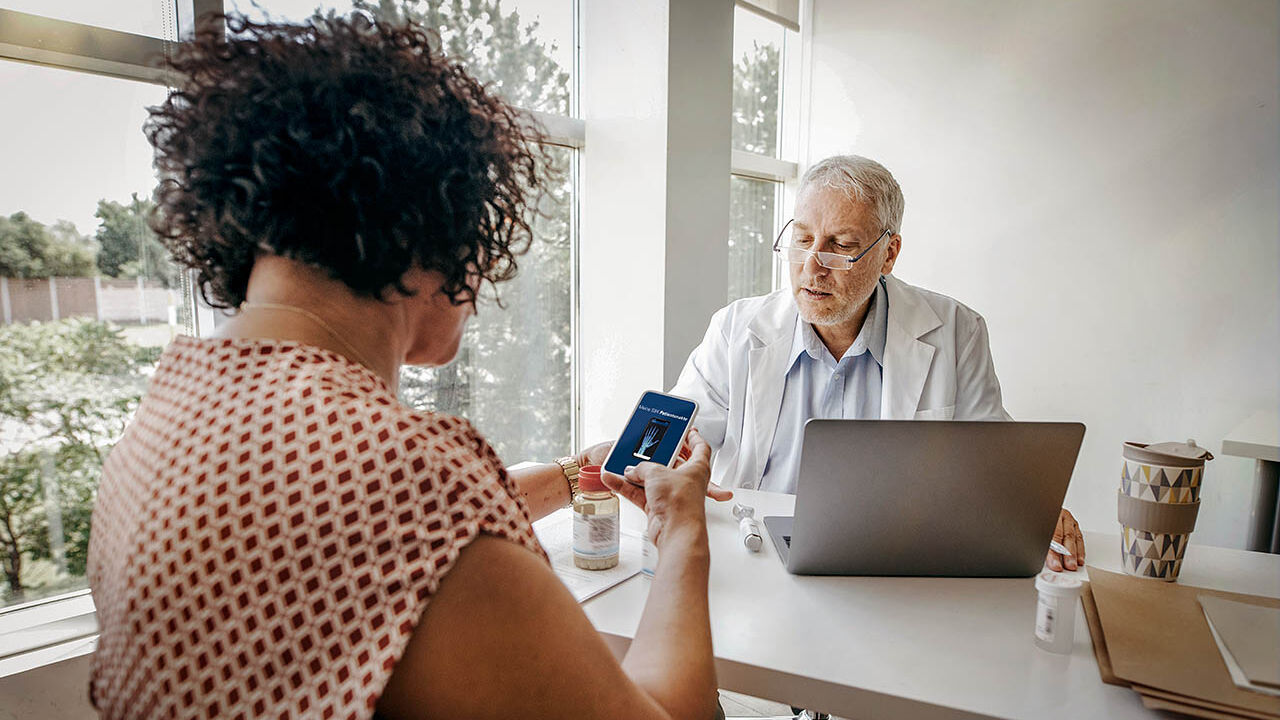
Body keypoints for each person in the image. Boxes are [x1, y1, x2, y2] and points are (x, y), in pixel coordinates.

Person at [86, 14, 721, 719]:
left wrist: (576, 474)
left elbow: (366, 535)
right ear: (434, 226)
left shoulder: (166, 419)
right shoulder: (405, 475)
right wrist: (684, 533)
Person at [669, 154, 1085, 573]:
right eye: (802, 238)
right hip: (756, 557)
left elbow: (990, 462)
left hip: (895, 563)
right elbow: (678, 432)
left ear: (888, 253)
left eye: (841, 246)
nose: (812, 266)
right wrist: (633, 451)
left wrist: (1031, 508)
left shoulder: (957, 331)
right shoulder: (736, 329)